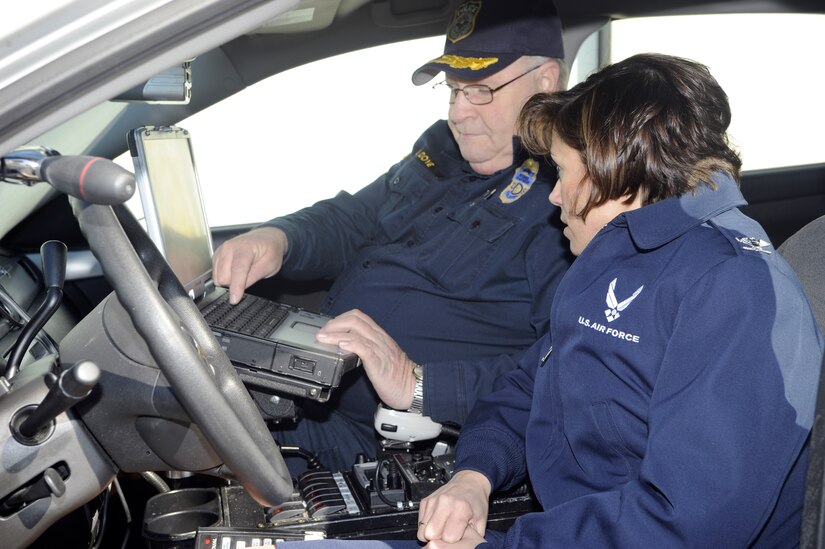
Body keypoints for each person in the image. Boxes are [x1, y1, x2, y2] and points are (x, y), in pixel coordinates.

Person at [301, 53, 824, 547]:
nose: (553, 196)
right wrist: (474, 476)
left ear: (613, 170)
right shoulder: (613, 252)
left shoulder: (735, 288)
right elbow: (529, 386)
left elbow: (690, 521)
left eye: (563, 172)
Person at [212, 0, 572, 471]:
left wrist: (419, 383)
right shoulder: (442, 149)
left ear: (546, 81)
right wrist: (280, 239)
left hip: (394, 447)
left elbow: (565, 366)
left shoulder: (568, 199)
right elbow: (355, 218)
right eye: (452, 90)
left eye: (480, 91)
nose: (459, 113)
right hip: (313, 394)